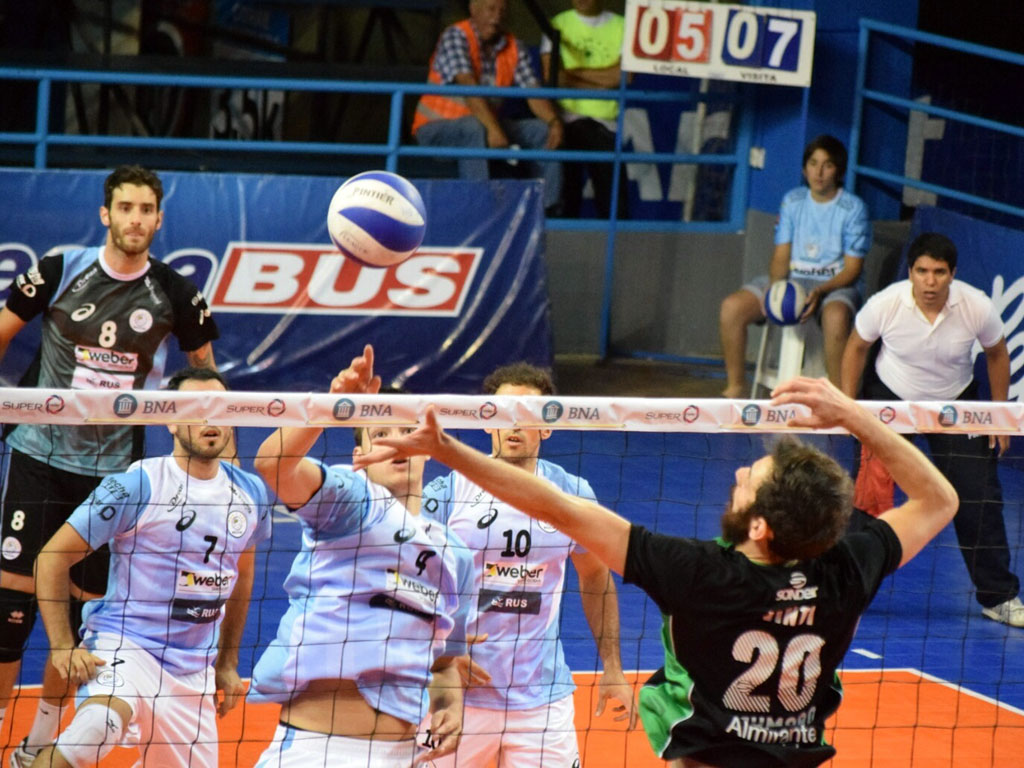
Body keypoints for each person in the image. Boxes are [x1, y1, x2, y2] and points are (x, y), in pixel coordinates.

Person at [355, 376, 958, 767]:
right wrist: (854, 416)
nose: (739, 471)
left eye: (752, 478)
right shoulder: (846, 570)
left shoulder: (700, 575)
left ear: (758, 526)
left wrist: (446, 449)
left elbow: (555, 507)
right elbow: (939, 500)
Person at [0, 164, 222, 766]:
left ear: (159, 218)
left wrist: (213, 450)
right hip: (40, 454)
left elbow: (205, 379)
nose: (135, 219)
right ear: (106, 213)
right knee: (10, 606)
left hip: (112, 470)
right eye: (125, 207)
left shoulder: (175, 293)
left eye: (146, 209)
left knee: (81, 613)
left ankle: (39, 743)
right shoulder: (60, 269)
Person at [27, 367, 271, 768]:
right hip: (127, 646)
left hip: (192, 671)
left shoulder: (250, 492)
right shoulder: (139, 484)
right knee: (94, 729)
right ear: (171, 421)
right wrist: (62, 646)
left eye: (219, 408)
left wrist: (227, 663)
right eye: (195, 408)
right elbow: (52, 558)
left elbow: (241, 578)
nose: (209, 419)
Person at [248, 345, 475, 767]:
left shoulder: (456, 556)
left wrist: (450, 708)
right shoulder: (351, 502)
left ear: (428, 447)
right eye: (381, 434)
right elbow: (273, 465)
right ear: (359, 458)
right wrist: (329, 406)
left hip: (404, 755)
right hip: (320, 752)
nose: (397, 442)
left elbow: (445, 666)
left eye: (408, 431)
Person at [421, 362, 635, 767]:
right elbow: (414, 583)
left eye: (527, 414)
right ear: (487, 421)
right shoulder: (446, 493)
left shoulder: (572, 494)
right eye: (504, 413)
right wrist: (442, 653)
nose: (514, 424)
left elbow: (595, 575)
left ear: (547, 427)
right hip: (459, 693)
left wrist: (612, 667)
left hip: (541, 701)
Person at [841, 231, 1023, 627]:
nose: (930, 281)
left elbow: (996, 353)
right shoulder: (885, 303)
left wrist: (1000, 415)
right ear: (910, 272)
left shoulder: (976, 305)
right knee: (868, 498)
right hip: (891, 399)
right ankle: (849, 590)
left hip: (954, 404)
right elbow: (856, 347)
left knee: (978, 497)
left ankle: (999, 597)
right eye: (922, 271)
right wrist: (849, 409)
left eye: (939, 272)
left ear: (952, 274)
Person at [719, 135, 871, 397]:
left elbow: (852, 269)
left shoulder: (853, 208)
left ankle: (840, 400)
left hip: (833, 285)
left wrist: (820, 291)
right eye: (813, 163)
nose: (819, 172)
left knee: (835, 317)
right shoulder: (793, 201)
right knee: (731, 308)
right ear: (804, 168)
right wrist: (775, 286)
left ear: (839, 171)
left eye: (827, 165)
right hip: (792, 279)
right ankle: (735, 388)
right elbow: (781, 255)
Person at [412, 0, 564, 213]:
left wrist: (554, 121)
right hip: (436, 129)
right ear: (474, 9)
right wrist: (493, 129)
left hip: (487, 125)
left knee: (542, 131)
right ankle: (478, 209)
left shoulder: (514, 46)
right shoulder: (456, 35)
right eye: (491, 9)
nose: (497, 16)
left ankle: (548, 211)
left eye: (502, 11)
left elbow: (533, 92)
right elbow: (467, 85)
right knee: (474, 127)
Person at [540, 0, 628, 219]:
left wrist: (572, 74)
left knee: (615, 207)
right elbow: (553, 76)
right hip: (565, 124)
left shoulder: (623, 26)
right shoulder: (556, 24)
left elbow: (623, 76)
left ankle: (614, 242)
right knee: (564, 200)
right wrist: (602, 79)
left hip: (607, 125)